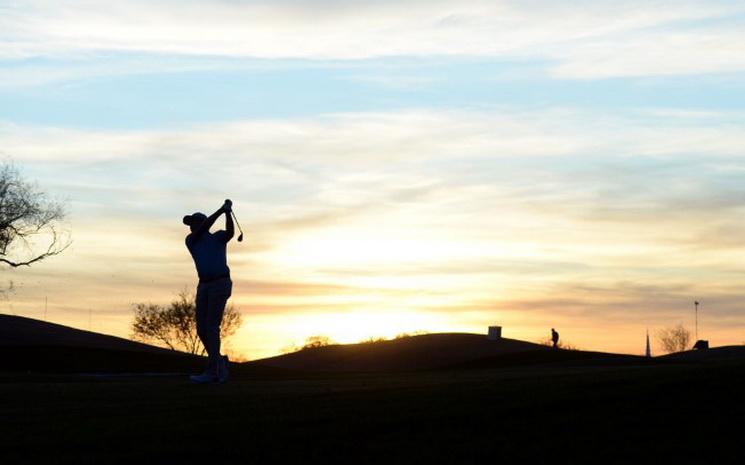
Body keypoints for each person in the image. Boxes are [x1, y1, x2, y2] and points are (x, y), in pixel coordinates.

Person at [183, 199, 235, 383]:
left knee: (211, 327)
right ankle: (219, 362)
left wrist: (227, 213)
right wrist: (221, 210)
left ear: (201, 223)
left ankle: (214, 371)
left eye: (193, 223)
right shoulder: (191, 240)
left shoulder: (218, 237)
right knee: (201, 329)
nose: (191, 227)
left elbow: (230, 233)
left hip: (220, 283)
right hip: (204, 285)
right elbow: (205, 227)